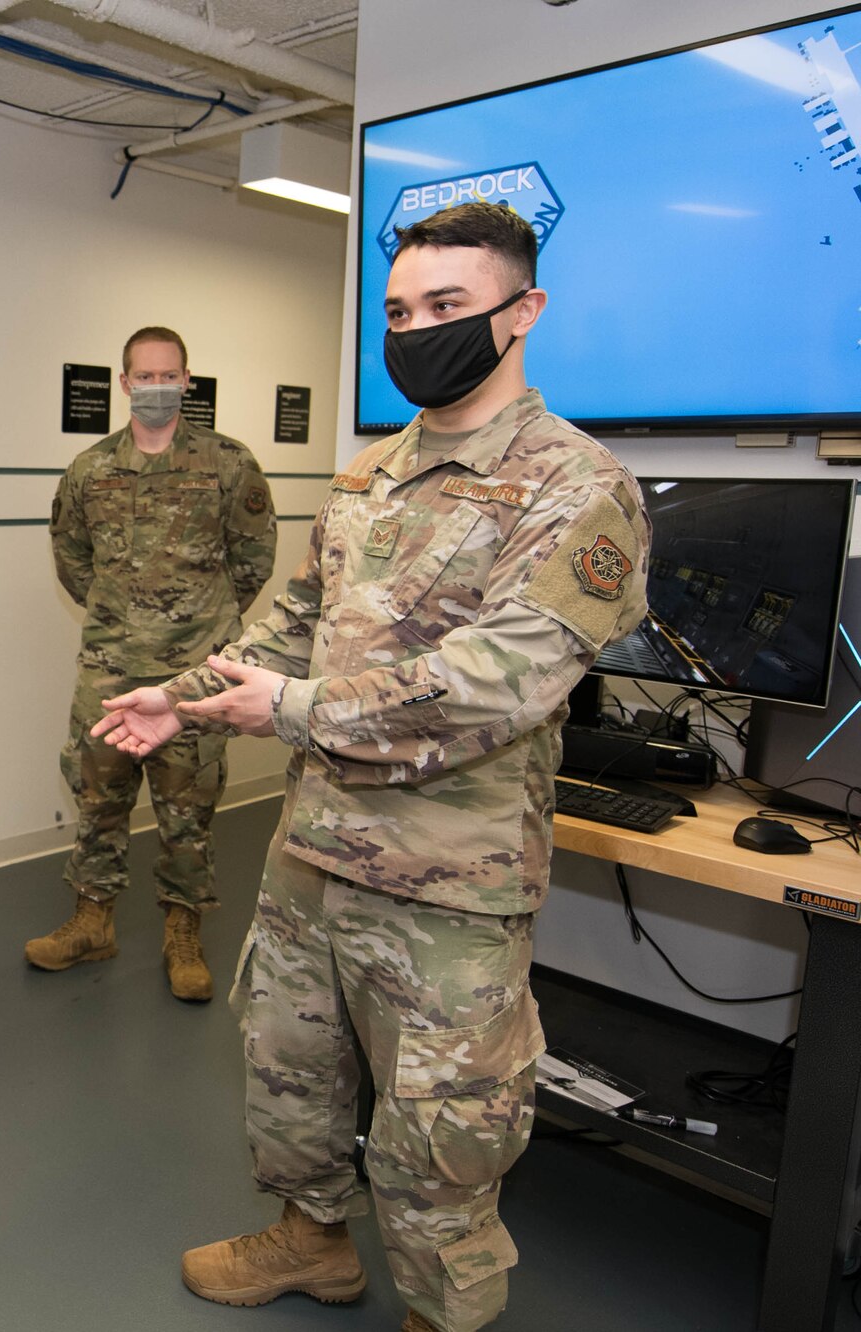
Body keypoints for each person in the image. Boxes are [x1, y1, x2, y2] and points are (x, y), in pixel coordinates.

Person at [91, 201, 651, 1332]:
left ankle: (441, 1310)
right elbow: (294, 621)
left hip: (448, 880)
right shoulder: (367, 476)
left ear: (519, 312)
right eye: (398, 310)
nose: (414, 330)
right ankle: (310, 1245)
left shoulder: (576, 487)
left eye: (445, 307)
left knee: (441, 1127)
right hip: (316, 851)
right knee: (289, 1071)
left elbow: (497, 680)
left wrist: (286, 710)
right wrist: (185, 695)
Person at [27, 326, 274, 1000]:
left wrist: (205, 627)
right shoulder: (90, 470)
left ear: (187, 381)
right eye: (146, 375)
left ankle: (183, 933)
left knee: (187, 806)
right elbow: (71, 558)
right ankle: (92, 919)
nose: (159, 386)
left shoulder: (228, 463)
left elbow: (253, 559)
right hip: (109, 667)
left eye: (171, 375)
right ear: (126, 383)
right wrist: (121, 616)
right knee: (97, 797)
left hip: (195, 673)